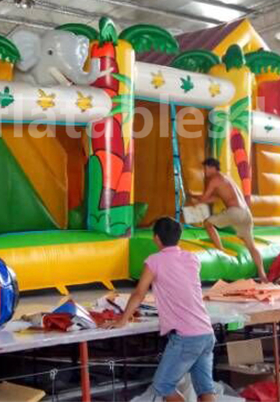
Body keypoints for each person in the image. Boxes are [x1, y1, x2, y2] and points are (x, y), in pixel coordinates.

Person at [107, 217, 215, 402]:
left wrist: (122, 320)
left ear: (156, 238)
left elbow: (139, 294)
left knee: (163, 386)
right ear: (179, 237)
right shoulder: (192, 258)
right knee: (205, 388)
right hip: (206, 333)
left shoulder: (154, 261)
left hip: (186, 337)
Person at [191, 157, 268, 282]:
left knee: (207, 223)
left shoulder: (214, 179)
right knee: (251, 246)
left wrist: (193, 198)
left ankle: (220, 250)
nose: (204, 171)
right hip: (246, 214)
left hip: (235, 212)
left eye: (205, 168)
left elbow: (204, 198)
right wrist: (197, 198)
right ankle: (262, 273)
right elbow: (216, 198)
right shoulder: (226, 178)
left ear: (212, 167)